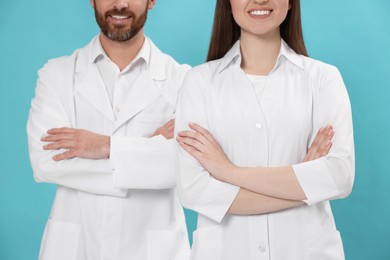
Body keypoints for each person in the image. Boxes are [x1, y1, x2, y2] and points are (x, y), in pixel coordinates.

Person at [175, 0, 354, 259]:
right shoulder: (199, 83)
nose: (259, 0)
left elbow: (338, 177)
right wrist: (305, 184)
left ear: (291, 3)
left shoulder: (323, 79)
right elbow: (194, 190)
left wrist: (228, 172)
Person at [27, 0, 190, 259]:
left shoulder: (184, 81)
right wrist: (148, 152)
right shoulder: (56, 75)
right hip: (76, 246)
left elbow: (183, 167)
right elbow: (47, 162)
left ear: (151, 1)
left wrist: (105, 146)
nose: (120, 4)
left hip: (154, 249)